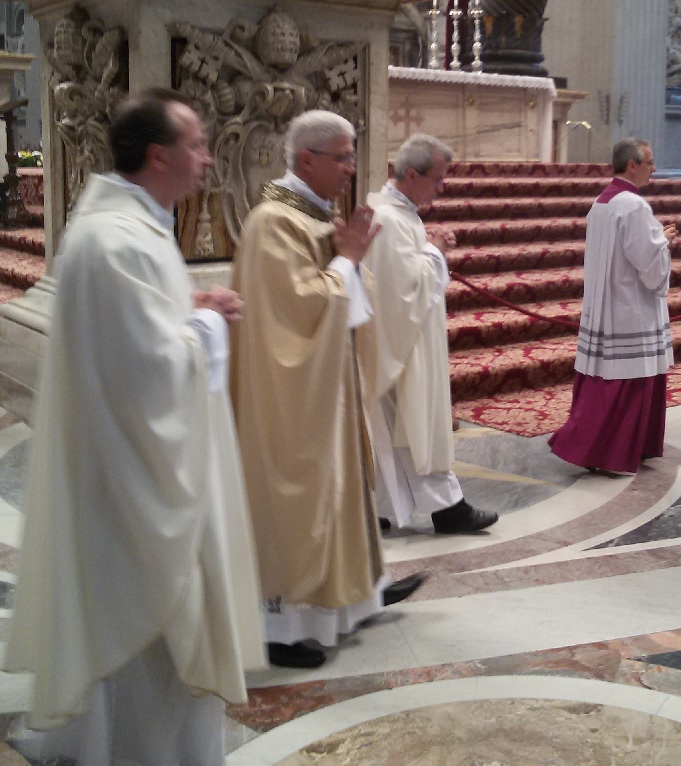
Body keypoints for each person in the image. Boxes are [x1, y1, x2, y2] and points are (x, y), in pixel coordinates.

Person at [3, 87, 265, 764]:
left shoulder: (129, 226)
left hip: (123, 475)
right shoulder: (117, 241)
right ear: (159, 155)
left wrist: (190, 302)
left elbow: (136, 331)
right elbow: (147, 372)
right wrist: (206, 323)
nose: (209, 159)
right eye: (198, 145)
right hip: (133, 496)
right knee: (150, 647)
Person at [231, 110, 424, 671]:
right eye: (342, 157)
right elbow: (301, 310)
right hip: (290, 395)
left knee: (341, 480)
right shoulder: (273, 222)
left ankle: (357, 596)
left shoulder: (309, 214)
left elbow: (332, 297)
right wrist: (350, 261)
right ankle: (283, 624)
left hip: (325, 381)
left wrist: (345, 260)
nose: (351, 167)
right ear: (306, 159)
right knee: (300, 490)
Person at [363, 133, 498, 534]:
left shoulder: (398, 214)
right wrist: (435, 252)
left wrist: (433, 247)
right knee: (412, 423)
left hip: (408, 340)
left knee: (403, 428)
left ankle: (387, 508)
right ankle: (447, 508)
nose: (441, 189)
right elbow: (401, 291)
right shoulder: (387, 217)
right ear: (410, 174)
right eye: (437, 180)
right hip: (403, 345)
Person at [548, 137, 677, 475]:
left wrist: (657, 240)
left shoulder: (602, 203)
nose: (654, 168)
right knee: (630, 379)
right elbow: (647, 263)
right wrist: (665, 242)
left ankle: (601, 448)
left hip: (607, 304)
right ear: (631, 165)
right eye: (649, 162)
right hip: (629, 308)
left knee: (608, 381)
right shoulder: (634, 206)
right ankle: (613, 452)